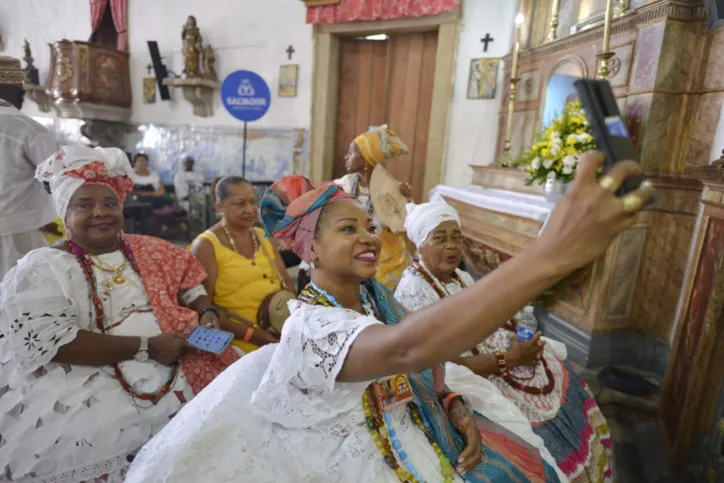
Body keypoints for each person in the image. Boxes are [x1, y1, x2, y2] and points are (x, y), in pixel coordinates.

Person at [126, 153, 654, 482]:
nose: (370, 237)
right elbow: (405, 349)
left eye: (369, 225)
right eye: (348, 230)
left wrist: (454, 407)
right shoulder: (309, 324)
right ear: (309, 252)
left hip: (420, 425)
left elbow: (427, 366)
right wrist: (548, 256)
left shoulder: (376, 296)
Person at [0, 146, 239, 482]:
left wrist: (205, 308)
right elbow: (53, 345)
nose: (101, 213)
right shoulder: (42, 268)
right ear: (64, 214)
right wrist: (146, 347)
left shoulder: (145, 248)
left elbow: (189, 281)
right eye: (85, 205)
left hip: (177, 356)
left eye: (110, 204)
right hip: (86, 376)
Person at [394, 193, 614, 482]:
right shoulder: (413, 290)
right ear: (420, 244)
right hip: (466, 377)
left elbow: (504, 316)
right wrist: (506, 360)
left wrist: (521, 341)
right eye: (440, 238)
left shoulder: (460, 278)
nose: (452, 246)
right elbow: (440, 366)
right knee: (531, 407)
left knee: (556, 371)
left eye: (457, 237)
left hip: (499, 359)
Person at [190, 176, 295, 354]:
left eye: (253, 202)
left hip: (278, 330)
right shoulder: (206, 245)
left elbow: (287, 283)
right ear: (220, 207)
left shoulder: (263, 236)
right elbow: (205, 307)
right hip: (238, 341)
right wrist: (253, 336)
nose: (250, 210)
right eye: (240, 204)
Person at [0, 55, 60, 279]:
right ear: (16, 91)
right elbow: (56, 179)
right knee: (18, 297)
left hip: (15, 228)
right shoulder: (27, 128)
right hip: (17, 232)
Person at [336, 125, 413, 291]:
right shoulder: (342, 187)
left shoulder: (392, 190)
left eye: (352, 152)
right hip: (351, 253)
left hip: (388, 261)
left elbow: (402, 226)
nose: (346, 157)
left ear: (365, 159)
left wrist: (405, 201)